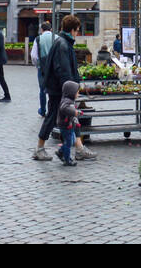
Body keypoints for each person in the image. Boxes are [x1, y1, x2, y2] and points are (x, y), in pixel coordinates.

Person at [33, 14, 95, 161]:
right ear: (72, 30)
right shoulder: (63, 45)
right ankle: (40, 148)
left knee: (70, 117)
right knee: (53, 117)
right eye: (77, 30)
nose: (77, 33)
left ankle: (75, 148)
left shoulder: (62, 42)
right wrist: (71, 90)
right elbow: (63, 70)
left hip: (59, 88)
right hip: (60, 90)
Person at [56, 79, 82, 166]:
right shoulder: (67, 101)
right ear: (71, 92)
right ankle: (67, 160)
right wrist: (74, 112)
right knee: (68, 142)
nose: (78, 94)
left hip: (69, 125)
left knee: (72, 140)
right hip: (66, 125)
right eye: (77, 92)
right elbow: (64, 108)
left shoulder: (69, 100)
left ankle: (61, 151)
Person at [34, 21, 54, 117]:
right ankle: (53, 109)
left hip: (42, 68)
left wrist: (37, 64)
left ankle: (42, 110)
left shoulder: (38, 39)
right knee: (54, 89)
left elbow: (34, 56)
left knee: (42, 89)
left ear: (41, 29)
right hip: (54, 68)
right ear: (51, 29)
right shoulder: (57, 38)